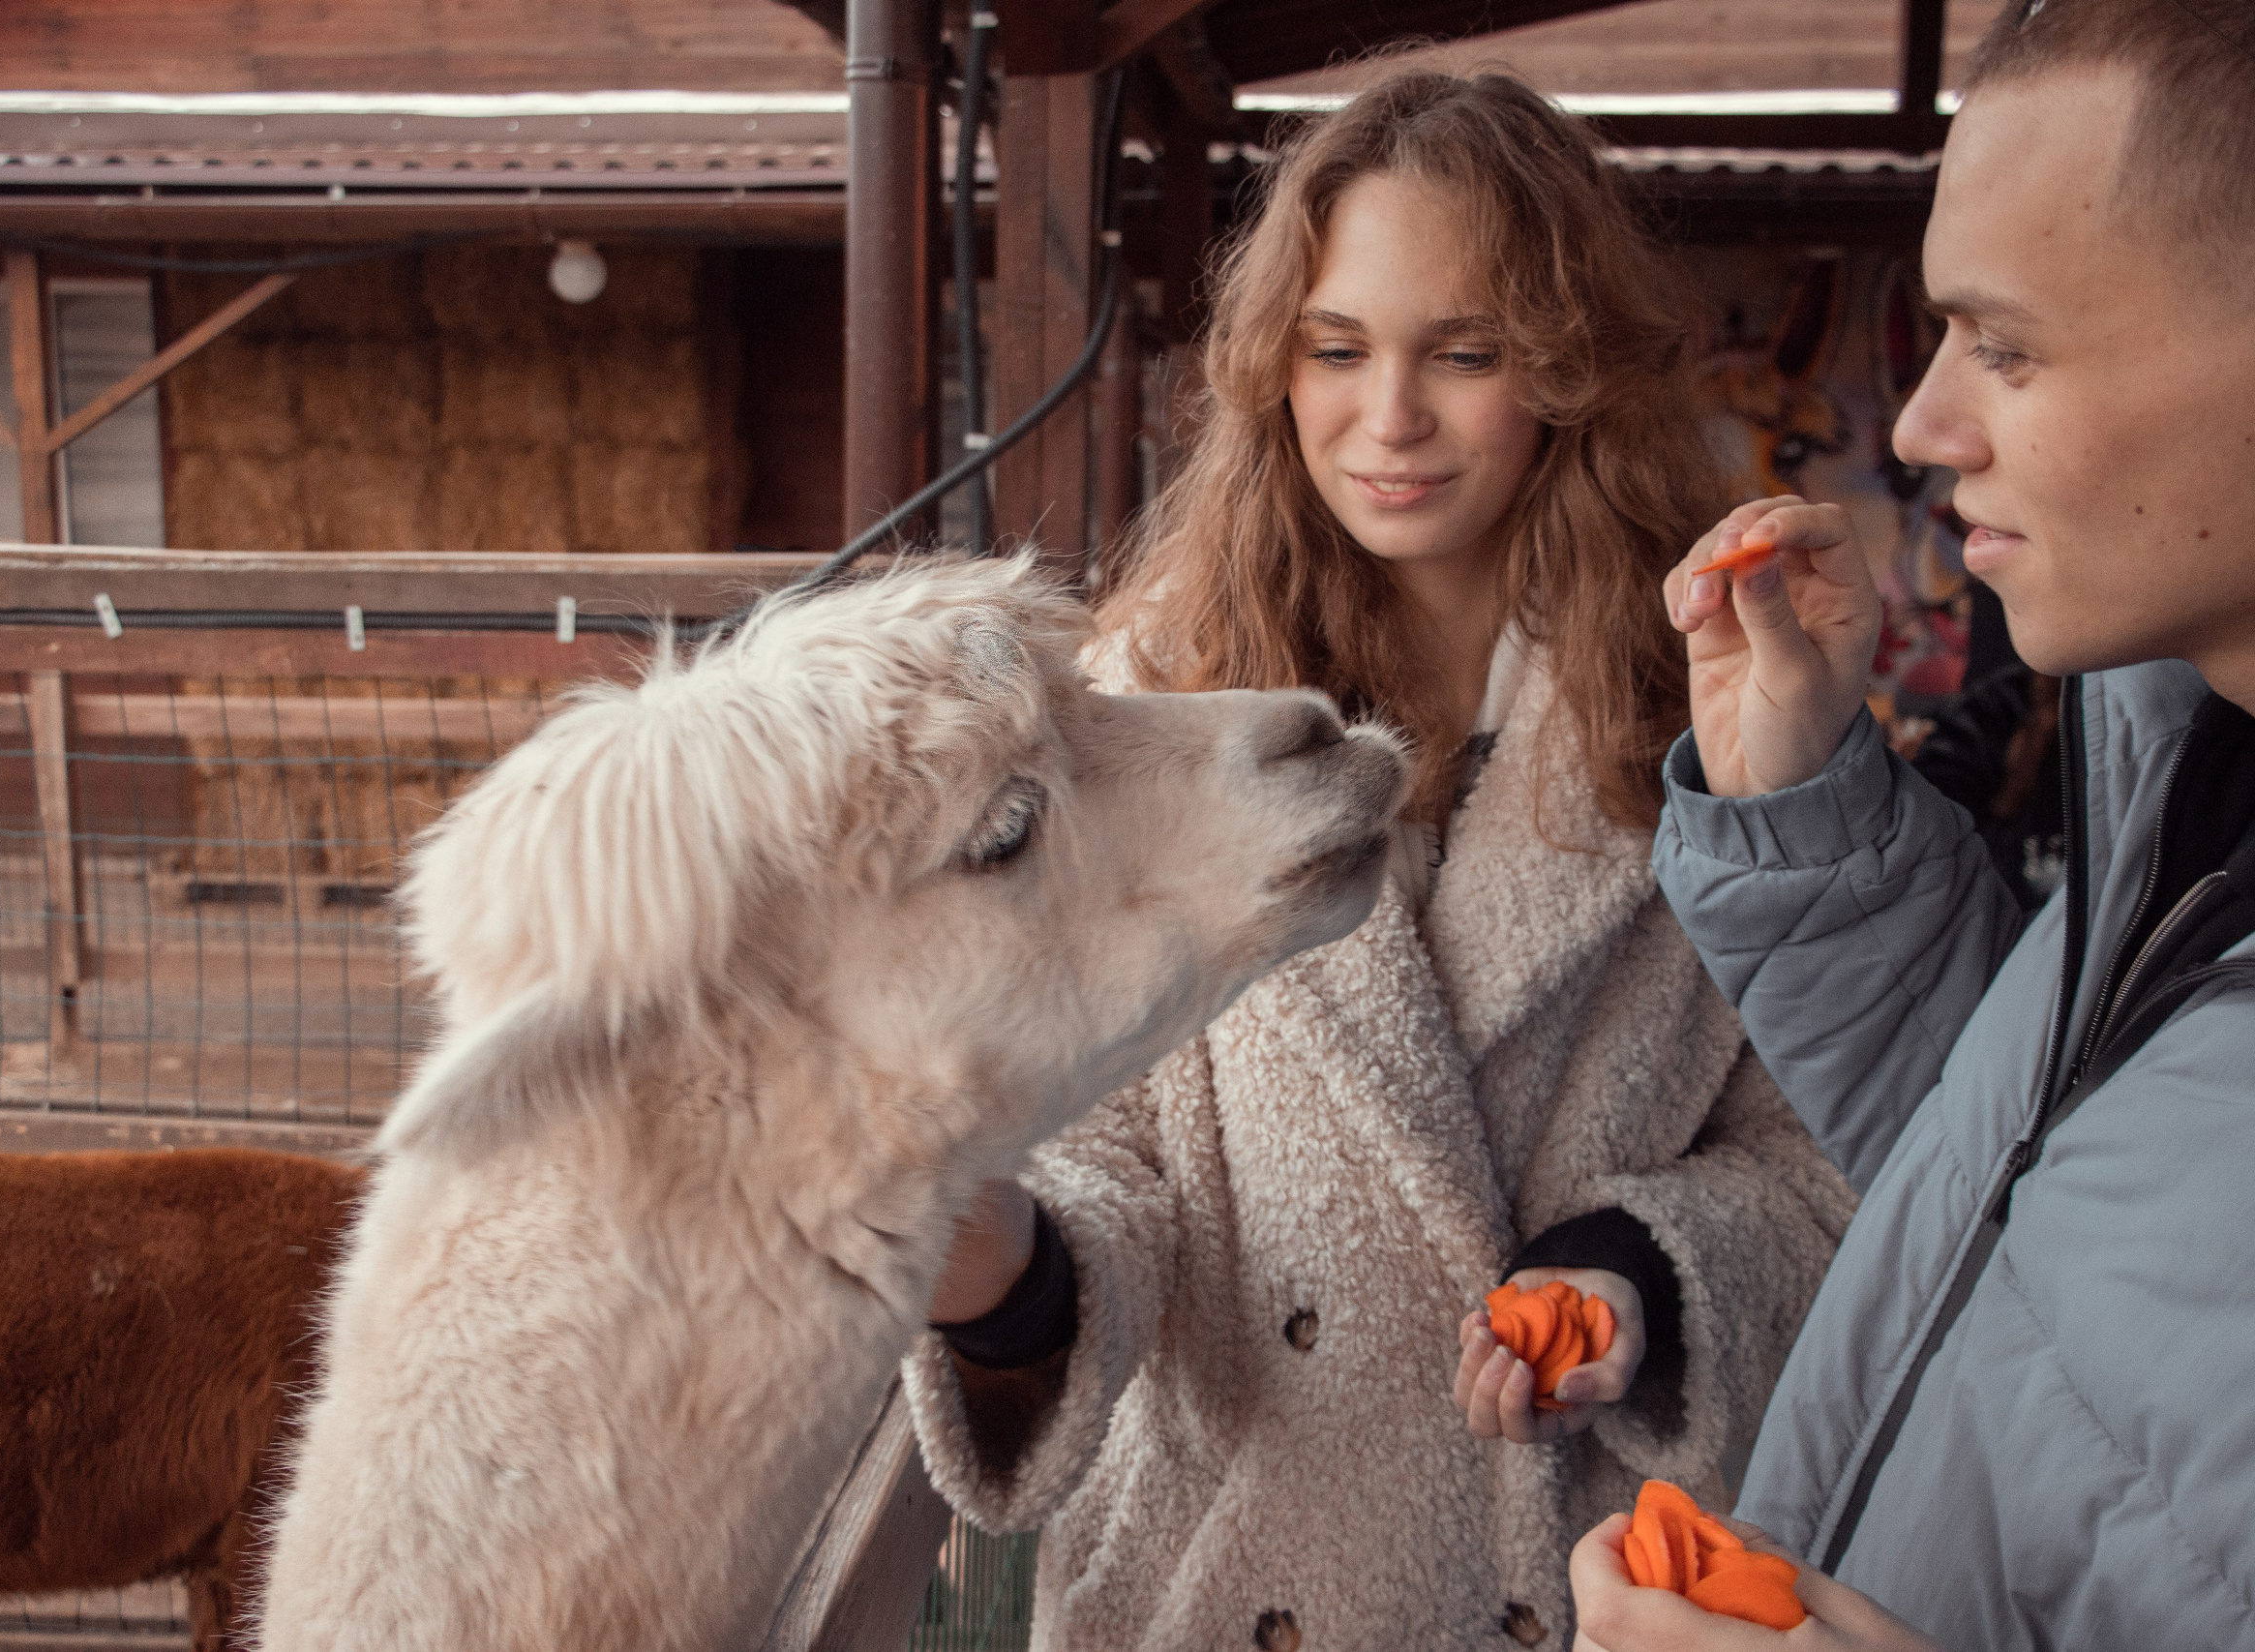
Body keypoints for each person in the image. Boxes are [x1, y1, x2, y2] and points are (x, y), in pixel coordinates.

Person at [901, 65, 1855, 1649]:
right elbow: (1099, 1152)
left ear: (1563, 371)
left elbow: (1828, 1167)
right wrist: (1005, 1270)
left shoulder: (1710, 713)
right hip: (1220, 1581)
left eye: (1463, 353)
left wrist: (1637, 1275)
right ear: (1275, 365)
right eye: (1337, 350)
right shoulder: (1148, 706)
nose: (1389, 418)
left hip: (1583, 1585)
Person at [1569, 0, 2255, 1646]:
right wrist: (1809, 803)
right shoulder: (2181, 749)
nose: (1928, 427)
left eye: (2004, 348)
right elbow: (2059, 1181)